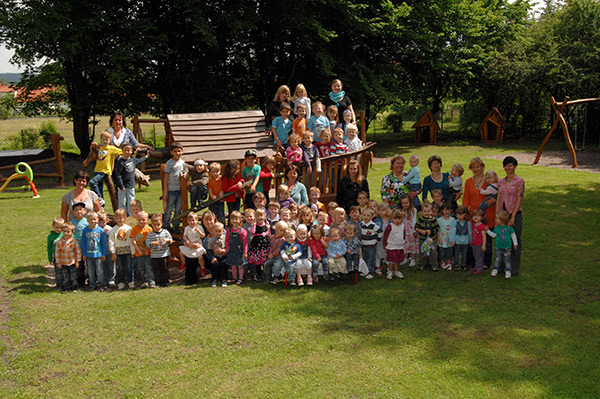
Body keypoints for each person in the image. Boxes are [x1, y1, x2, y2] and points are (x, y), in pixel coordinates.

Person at [462, 157, 496, 267]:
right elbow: (466, 199)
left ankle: (486, 262)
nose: (476, 169)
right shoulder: (468, 182)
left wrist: (495, 200)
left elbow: (499, 193)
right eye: (473, 167)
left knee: (487, 238)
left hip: (488, 213)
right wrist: (464, 212)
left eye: (478, 167)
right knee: (473, 238)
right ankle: (471, 261)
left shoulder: (489, 181)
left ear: (482, 167)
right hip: (473, 215)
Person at [496, 156, 524, 275]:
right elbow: (498, 198)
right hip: (503, 214)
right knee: (502, 240)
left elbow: (520, 198)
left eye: (511, 165)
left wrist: (513, 216)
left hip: (514, 213)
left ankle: (513, 268)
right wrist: (497, 215)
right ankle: (502, 267)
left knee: (514, 240)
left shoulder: (519, 181)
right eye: (506, 165)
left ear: (515, 166)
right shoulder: (501, 181)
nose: (508, 168)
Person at [88, 130, 123, 208]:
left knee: (92, 182)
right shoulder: (100, 148)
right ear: (101, 139)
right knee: (99, 188)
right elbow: (94, 152)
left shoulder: (111, 148)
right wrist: (94, 146)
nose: (105, 141)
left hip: (105, 171)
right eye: (103, 139)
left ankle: (98, 198)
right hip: (97, 170)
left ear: (110, 140)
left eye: (107, 140)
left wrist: (132, 151)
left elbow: (122, 152)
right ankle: (101, 206)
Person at [113, 143, 148, 216]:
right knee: (122, 201)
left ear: (132, 151)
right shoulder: (121, 162)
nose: (127, 152)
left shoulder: (133, 160)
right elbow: (118, 174)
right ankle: (122, 215)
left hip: (131, 185)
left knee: (131, 201)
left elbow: (140, 160)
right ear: (122, 151)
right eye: (125, 150)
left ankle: (131, 215)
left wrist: (146, 156)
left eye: (129, 150)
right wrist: (121, 185)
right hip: (122, 186)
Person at [162, 142, 187, 231]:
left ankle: (176, 225)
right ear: (171, 152)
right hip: (171, 189)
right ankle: (166, 225)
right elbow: (165, 177)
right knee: (169, 208)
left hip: (180, 189)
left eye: (179, 151)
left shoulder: (183, 163)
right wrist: (165, 190)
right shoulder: (169, 163)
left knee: (178, 209)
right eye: (175, 151)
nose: (177, 153)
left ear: (182, 152)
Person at [486, 211, 519, 279]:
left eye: (497, 218)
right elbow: (494, 235)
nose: (495, 220)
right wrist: (488, 231)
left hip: (507, 247)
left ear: (502, 220)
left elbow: (513, 236)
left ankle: (508, 271)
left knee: (507, 260)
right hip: (498, 247)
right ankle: (495, 269)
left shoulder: (509, 228)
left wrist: (515, 244)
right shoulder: (497, 228)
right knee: (497, 259)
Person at [108, 209, 134, 290]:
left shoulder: (128, 228)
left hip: (128, 250)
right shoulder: (113, 230)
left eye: (121, 218)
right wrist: (113, 252)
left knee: (129, 266)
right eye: (117, 218)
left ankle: (130, 281)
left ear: (125, 218)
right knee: (121, 267)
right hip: (119, 252)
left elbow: (131, 241)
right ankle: (121, 282)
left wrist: (133, 251)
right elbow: (111, 241)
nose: (119, 220)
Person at [81, 212, 107, 291]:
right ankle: (92, 284)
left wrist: (104, 254)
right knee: (90, 271)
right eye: (90, 220)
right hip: (89, 255)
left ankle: (100, 284)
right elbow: (83, 243)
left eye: (94, 219)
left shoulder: (100, 230)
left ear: (98, 220)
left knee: (99, 271)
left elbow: (103, 243)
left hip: (98, 254)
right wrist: (84, 253)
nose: (93, 221)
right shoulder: (85, 230)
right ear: (87, 221)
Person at [179, 212, 206, 285]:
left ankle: (202, 268)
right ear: (187, 221)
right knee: (181, 252)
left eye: (193, 220)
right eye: (190, 220)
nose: (192, 222)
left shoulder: (199, 227)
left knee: (200, 256)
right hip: (190, 244)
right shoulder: (187, 228)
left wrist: (199, 231)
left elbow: (203, 236)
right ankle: (183, 263)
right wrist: (187, 241)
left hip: (198, 244)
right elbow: (184, 236)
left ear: (197, 220)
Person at [146, 214, 173, 287]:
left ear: (162, 224)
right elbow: (147, 243)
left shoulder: (165, 232)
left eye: (158, 225)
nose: (157, 227)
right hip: (155, 255)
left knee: (165, 268)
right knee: (157, 270)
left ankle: (166, 281)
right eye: (155, 225)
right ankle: (158, 282)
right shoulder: (150, 234)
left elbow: (170, 240)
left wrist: (167, 240)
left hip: (164, 254)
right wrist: (152, 243)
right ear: (152, 225)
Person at [54, 222, 82, 292]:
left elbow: (78, 252)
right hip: (63, 262)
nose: (66, 233)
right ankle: (66, 288)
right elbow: (57, 253)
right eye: (64, 231)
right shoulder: (59, 242)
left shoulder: (74, 242)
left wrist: (77, 261)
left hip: (72, 262)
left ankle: (74, 288)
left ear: (72, 232)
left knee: (73, 276)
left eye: (68, 232)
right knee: (65, 276)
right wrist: (58, 262)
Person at [130, 211, 154, 288]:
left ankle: (151, 281)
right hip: (139, 253)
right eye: (139, 219)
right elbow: (133, 240)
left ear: (147, 220)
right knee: (141, 268)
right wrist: (138, 250)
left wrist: (148, 250)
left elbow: (151, 240)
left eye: (143, 220)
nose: (141, 221)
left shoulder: (149, 229)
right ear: (137, 219)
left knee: (149, 267)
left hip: (148, 253)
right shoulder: (134, 229)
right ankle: (144, 281)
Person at [415, 203, 440, 271]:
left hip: (432, 240)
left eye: (428, 211)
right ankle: (421, 265)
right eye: (425, 211)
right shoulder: (420, 219)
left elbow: (437, 228)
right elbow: (416, 227)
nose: (427, 213)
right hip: (422, 239)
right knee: (422, 252)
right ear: (422, 212)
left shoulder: (433, 220)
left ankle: (434, 265)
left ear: (431, 211)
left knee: (433, 252)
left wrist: (431, 231)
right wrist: (420, 231)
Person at [225, 211, 248, 285]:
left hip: (240, 251)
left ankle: (240, 278)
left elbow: (245, 243)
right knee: (233, 266)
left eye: (236, 219)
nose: (235, 221)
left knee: (240, 266)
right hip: (232, 250)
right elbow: (227, 240)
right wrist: (228, 248)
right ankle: (234, 278)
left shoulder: (243, 231)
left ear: (240, 220)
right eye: (233, 219)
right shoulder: (229, 230)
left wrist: (245, 252)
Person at [247, 208, 270, 282]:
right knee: (258, 262)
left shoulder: (267, 224)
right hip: (257, 246)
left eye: (261, 215)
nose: (260, 217)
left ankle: (266, 274)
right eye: (257, 216)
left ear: (264, 216)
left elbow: (269, 234)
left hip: (265, 245)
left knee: (265, 261)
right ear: (255, 217)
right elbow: (252, 232)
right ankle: (259, 275)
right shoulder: (255, 225)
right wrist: (254, 224)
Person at [383, 209, 406, 279]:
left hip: (399, 246)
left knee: (397, 260)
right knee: (391, 260)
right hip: (391, 246)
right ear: (392, 218)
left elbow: (404, 234)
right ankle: (390, 271)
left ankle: (396, 271)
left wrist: (403, 241)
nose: (397, 220)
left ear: (402, 218)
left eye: (399, 219)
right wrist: (385, 244)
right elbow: (386, 235)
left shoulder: (402, 226)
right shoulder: (390, 226)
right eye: (395, 219)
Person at [360, 208, 382, 279]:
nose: (366, 217)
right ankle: (365, 271)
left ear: (372, 217)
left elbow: (380, 232)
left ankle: (371, 272)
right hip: (364, 245)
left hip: (371, 246)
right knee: (365, 258)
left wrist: (377, 240)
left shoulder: (373, 225)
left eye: (368, 215)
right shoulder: (361, 224)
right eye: (364, 215)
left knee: (371, 259)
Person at [206, 222, 228, 288]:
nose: (218, 233)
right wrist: (212, 257)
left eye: (220, 231)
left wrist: (225, 251)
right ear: (213, 231)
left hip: (224, 256)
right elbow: (209, 250)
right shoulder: (211, 240)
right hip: (215, 257)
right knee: (214, 265)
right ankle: (214, 279)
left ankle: (224, 279)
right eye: (216, 231)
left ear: (223, 231)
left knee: (223, 265)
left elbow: (228, 247)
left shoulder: (225, 238)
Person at [399, 195, 418, 268]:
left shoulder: (413, 210)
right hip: (404, 230)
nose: (405, 205)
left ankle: (413, 259)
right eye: (403, 203)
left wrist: (414, 230)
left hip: (411, 230)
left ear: (410, 202)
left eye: (406, 203)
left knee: (412, 245)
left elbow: (414, 221)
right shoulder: (401, 211)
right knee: (405, 245)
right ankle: (405, 258)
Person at [437, 202, 456, 271]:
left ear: (451, 210)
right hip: (442, 239)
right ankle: (442, 262)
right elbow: (437, 230)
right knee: (442, 252)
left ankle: (449, 262)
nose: (446, 212)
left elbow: (454, 230)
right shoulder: (439, 220)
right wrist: (439, 238)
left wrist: (453, 239)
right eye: (444, 210)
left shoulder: (453, 220)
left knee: (449, 252)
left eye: (448, 210)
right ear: (442, 211)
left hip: (450, 239)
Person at [47, 217, 64, 290]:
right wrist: (50, 258)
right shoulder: (51, 237)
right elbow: (49, 248)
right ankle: (59, 285)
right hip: (56, 257)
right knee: (58, 272)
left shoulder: (64, 234)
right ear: (53, 226)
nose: (59, 229)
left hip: (65, 256)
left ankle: (66, 284)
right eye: (57, 227)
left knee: (65, 271)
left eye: (61, 227)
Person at [453, 206, 472, 272]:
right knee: (457, 254)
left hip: (465, 241)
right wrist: (453, 240)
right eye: (457, 214)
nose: (458, 216)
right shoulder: (455, 222)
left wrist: (470, 240)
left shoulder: (468, 223)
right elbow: (453, 232)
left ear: (465, 214)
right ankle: (456, 265)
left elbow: (469, 232)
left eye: (460, 214)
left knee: (464, 254)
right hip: (458, 241)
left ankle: (463, 265)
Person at [470, 209, 487, 275]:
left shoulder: (482, 226)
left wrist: (483, 245)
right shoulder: (473, 224)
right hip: (474, 243)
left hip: (479, 244)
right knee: (475, 256)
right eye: (474, 216)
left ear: (482, 218)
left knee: (479, 257)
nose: (475, 217)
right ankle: (476, 266)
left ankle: (479, 269)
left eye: (478, 216)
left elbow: (484, 236)